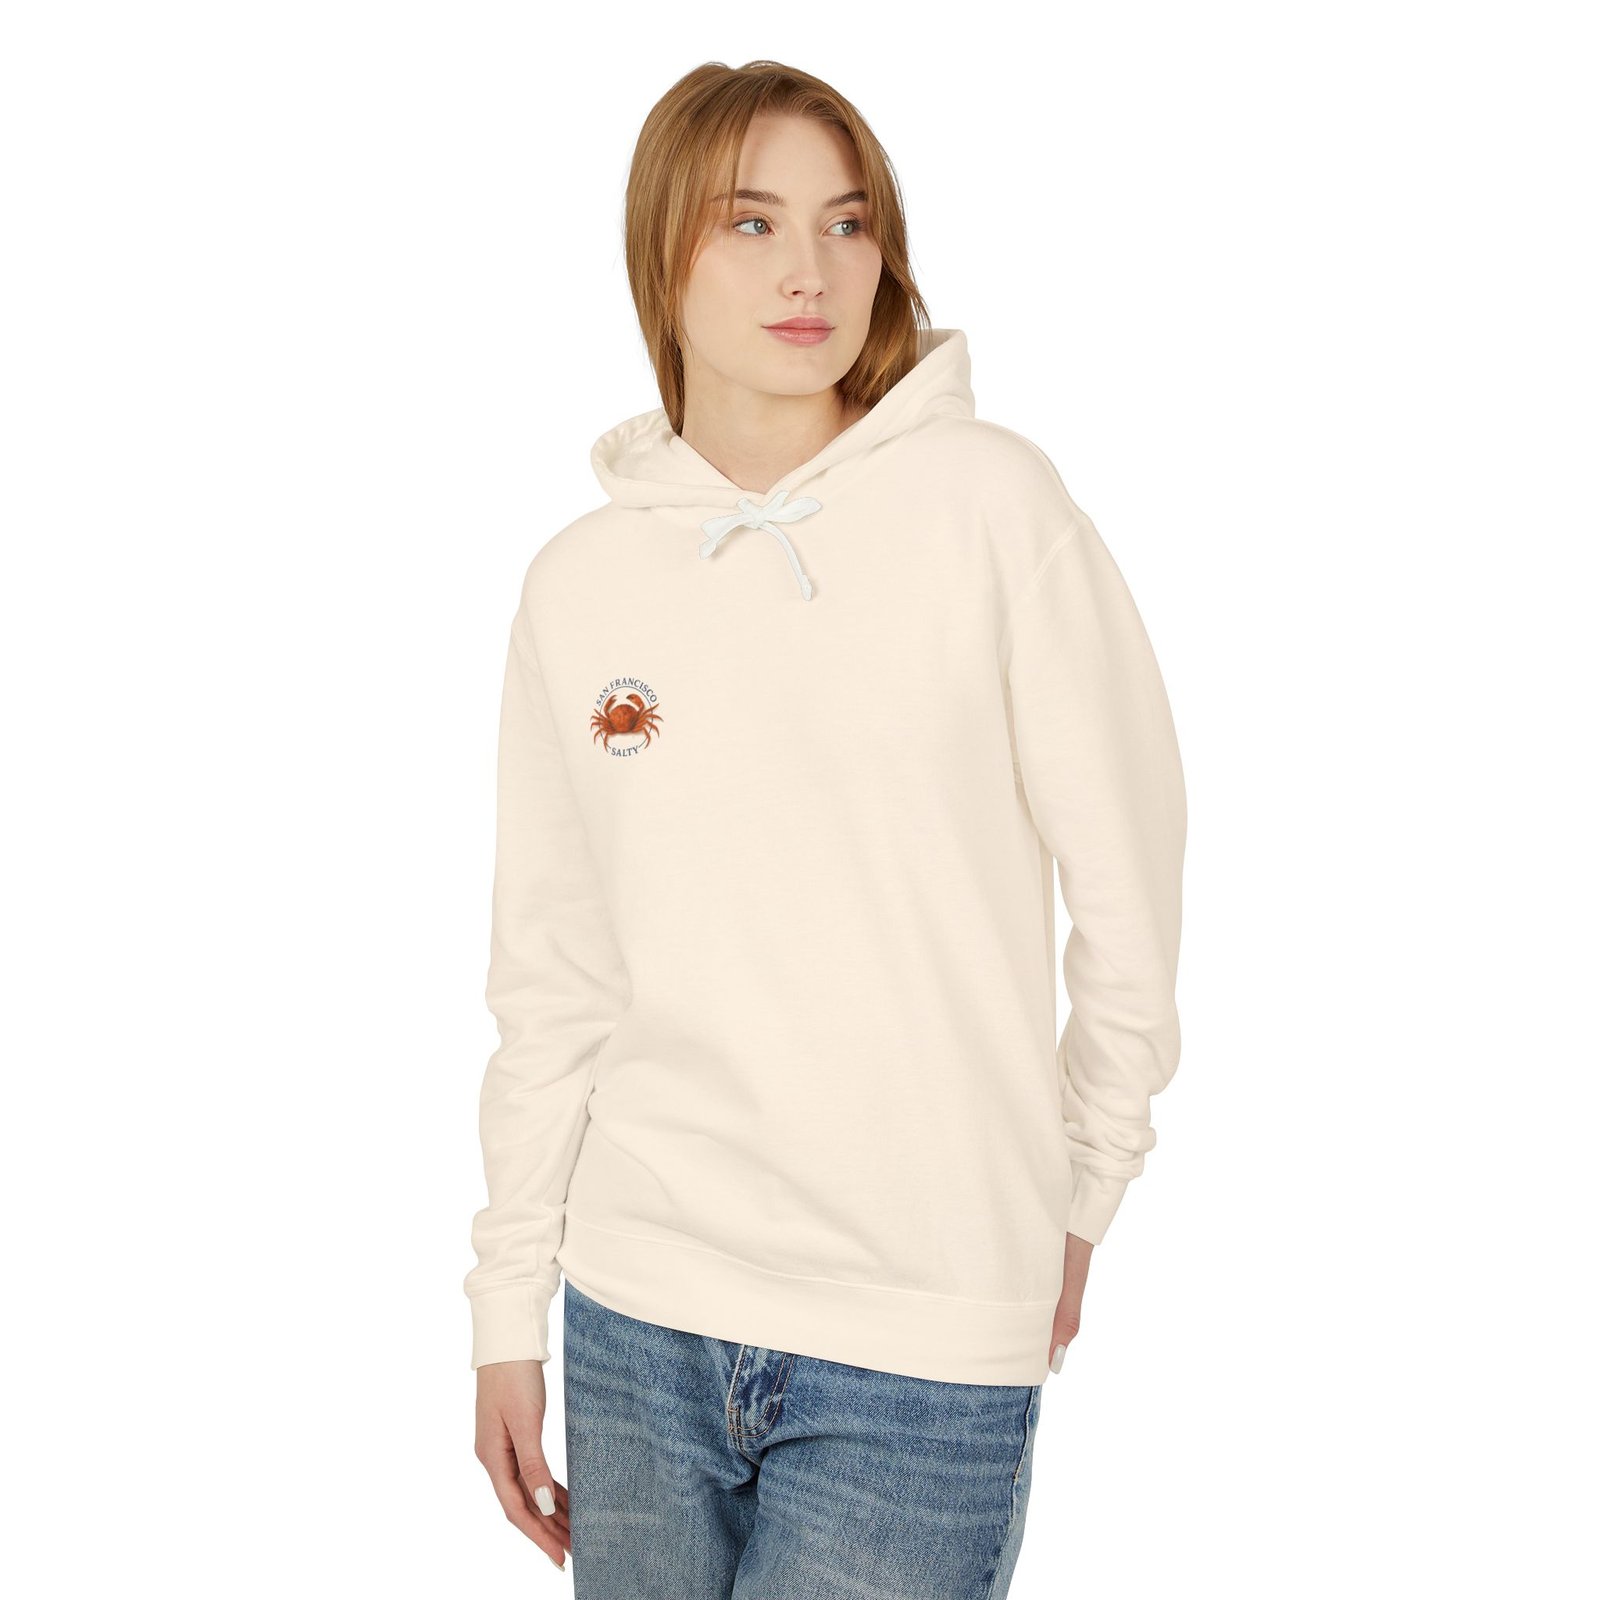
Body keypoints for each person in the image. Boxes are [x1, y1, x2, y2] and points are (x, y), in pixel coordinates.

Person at [465, 59, 1187, 1598]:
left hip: (916, 1337)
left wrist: (1081, 1192)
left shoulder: (993, 510)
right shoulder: (580, 584)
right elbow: (555, 979)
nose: (811, 268)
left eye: (848, 223)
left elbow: (1130, 889)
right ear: (662, 251)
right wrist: (506, 1306)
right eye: (752, 222)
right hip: (638, 1311)